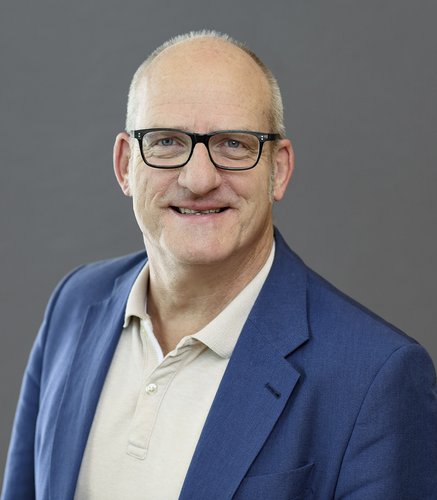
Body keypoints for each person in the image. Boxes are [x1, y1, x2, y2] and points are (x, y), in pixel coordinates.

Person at [2, 30, 437, 500]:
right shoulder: (74, 304)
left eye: (233, 144)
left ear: (278, 170)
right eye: (167, 141)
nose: (199, 179)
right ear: (126, 165)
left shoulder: (375, 377)